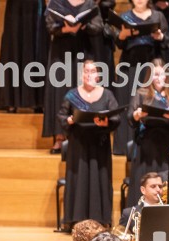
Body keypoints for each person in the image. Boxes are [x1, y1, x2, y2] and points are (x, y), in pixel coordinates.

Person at [58, 59, 120, 227]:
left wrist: (106, 123)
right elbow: (62, 116)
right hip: (79, 144)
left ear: (98, 76)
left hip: (99, 144)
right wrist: (69, 120)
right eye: (86, 71)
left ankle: (101, 219)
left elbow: (116, 117)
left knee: (99, 178)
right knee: (79, 178)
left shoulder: (107, 95)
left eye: (93, 71)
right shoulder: (72, 95)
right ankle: (76, 219)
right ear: (81, 75)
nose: (89, 74)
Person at [127, 59, 169, 208]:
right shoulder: (142, 93)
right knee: (146, 178)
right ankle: (141, 213)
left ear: (166, 76)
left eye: (161, 75)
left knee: (167, 180)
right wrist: (137, 115)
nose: (158, 78)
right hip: (148, 145)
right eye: (155, 75)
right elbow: (130, 118)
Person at [42, 0, 102, 154]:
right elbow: (49, 26)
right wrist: (65, 28)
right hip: (60, 53)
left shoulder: (89, 3)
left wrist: (83, 26)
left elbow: (98, 26)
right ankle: (60, 137)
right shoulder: (56, 3)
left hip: (83, 49)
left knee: (80, 90)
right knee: (59, 91)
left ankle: (77, 137)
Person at [111, 0, 169, 155]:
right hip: (129, 67)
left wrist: (160, 36)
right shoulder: (125, 16)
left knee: (150, 102)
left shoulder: (158, 15)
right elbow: (118, 42)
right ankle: (124, 146)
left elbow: (167, 41)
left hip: (150, 67)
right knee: (128, 103)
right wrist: (122, 35)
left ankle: (151, 143)